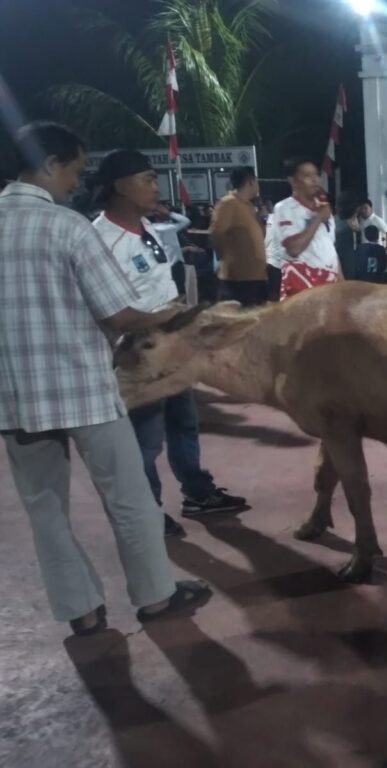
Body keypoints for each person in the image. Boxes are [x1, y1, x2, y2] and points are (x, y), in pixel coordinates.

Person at [1, 122, 211, 635]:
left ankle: (82, 611)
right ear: (50, 163)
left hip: (13, 395)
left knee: (46, 509)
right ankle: (155, 596)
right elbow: (119, 314)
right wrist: (171, 316)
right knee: (129, 497)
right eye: (74, 170)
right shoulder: (68, 227)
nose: (77, 182)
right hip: (84, 388)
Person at [92, 150, 247, 537]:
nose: (156, 186)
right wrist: (159, 318)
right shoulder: (101, 239)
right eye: (147, 178)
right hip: (138, 355)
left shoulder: (144, 226)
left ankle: (198, 492)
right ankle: (147, 511)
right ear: (119, 185)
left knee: (183, 423)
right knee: (145, 439)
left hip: (172, 342)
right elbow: (108, 310)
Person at [272, 158, 342, 300]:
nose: (315, 180)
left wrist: (342, 284)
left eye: (316, 175)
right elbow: (294, 249)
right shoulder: (284, 208)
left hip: (329, 286)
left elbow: (330, 249)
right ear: (293, 181)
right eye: (307, 176)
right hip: (301, 288)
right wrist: (318, 218)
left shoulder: (324, 209)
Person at [211, 166, 268, 306]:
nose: (258, 185)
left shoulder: (250, 206)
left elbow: (262, 235)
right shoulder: (228, 202)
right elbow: (217, 232)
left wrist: (261, 217)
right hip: (238, 279)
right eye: (257, 181)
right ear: (250, 182)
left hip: (256, 276)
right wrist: (225, 258)